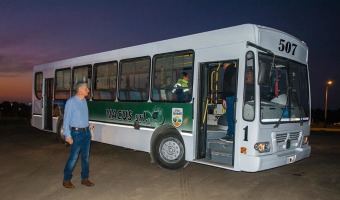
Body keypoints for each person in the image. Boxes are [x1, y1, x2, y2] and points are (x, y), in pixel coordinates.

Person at [62, 81, 94, 188]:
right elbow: (66, 120)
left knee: (85, 157)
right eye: (86, 89)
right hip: (76, 133)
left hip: (86, 133)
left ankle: (84, 179)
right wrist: (67, 136)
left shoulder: (84, 101)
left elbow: (83, 118)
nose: (88, 90)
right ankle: (66, 179)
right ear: (80, 90)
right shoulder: (71, 102)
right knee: (74, 157)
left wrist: (88, 126)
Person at [220, 62, 236, 141]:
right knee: (234, 116)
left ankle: (230, 134)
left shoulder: (228, 71)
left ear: (226, 64)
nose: (223, 67)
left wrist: (224, 98)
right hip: (236, 96)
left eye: (223, 65)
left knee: (229, 117)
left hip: (230, 96)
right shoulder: (236, 70)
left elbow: (226, 86)